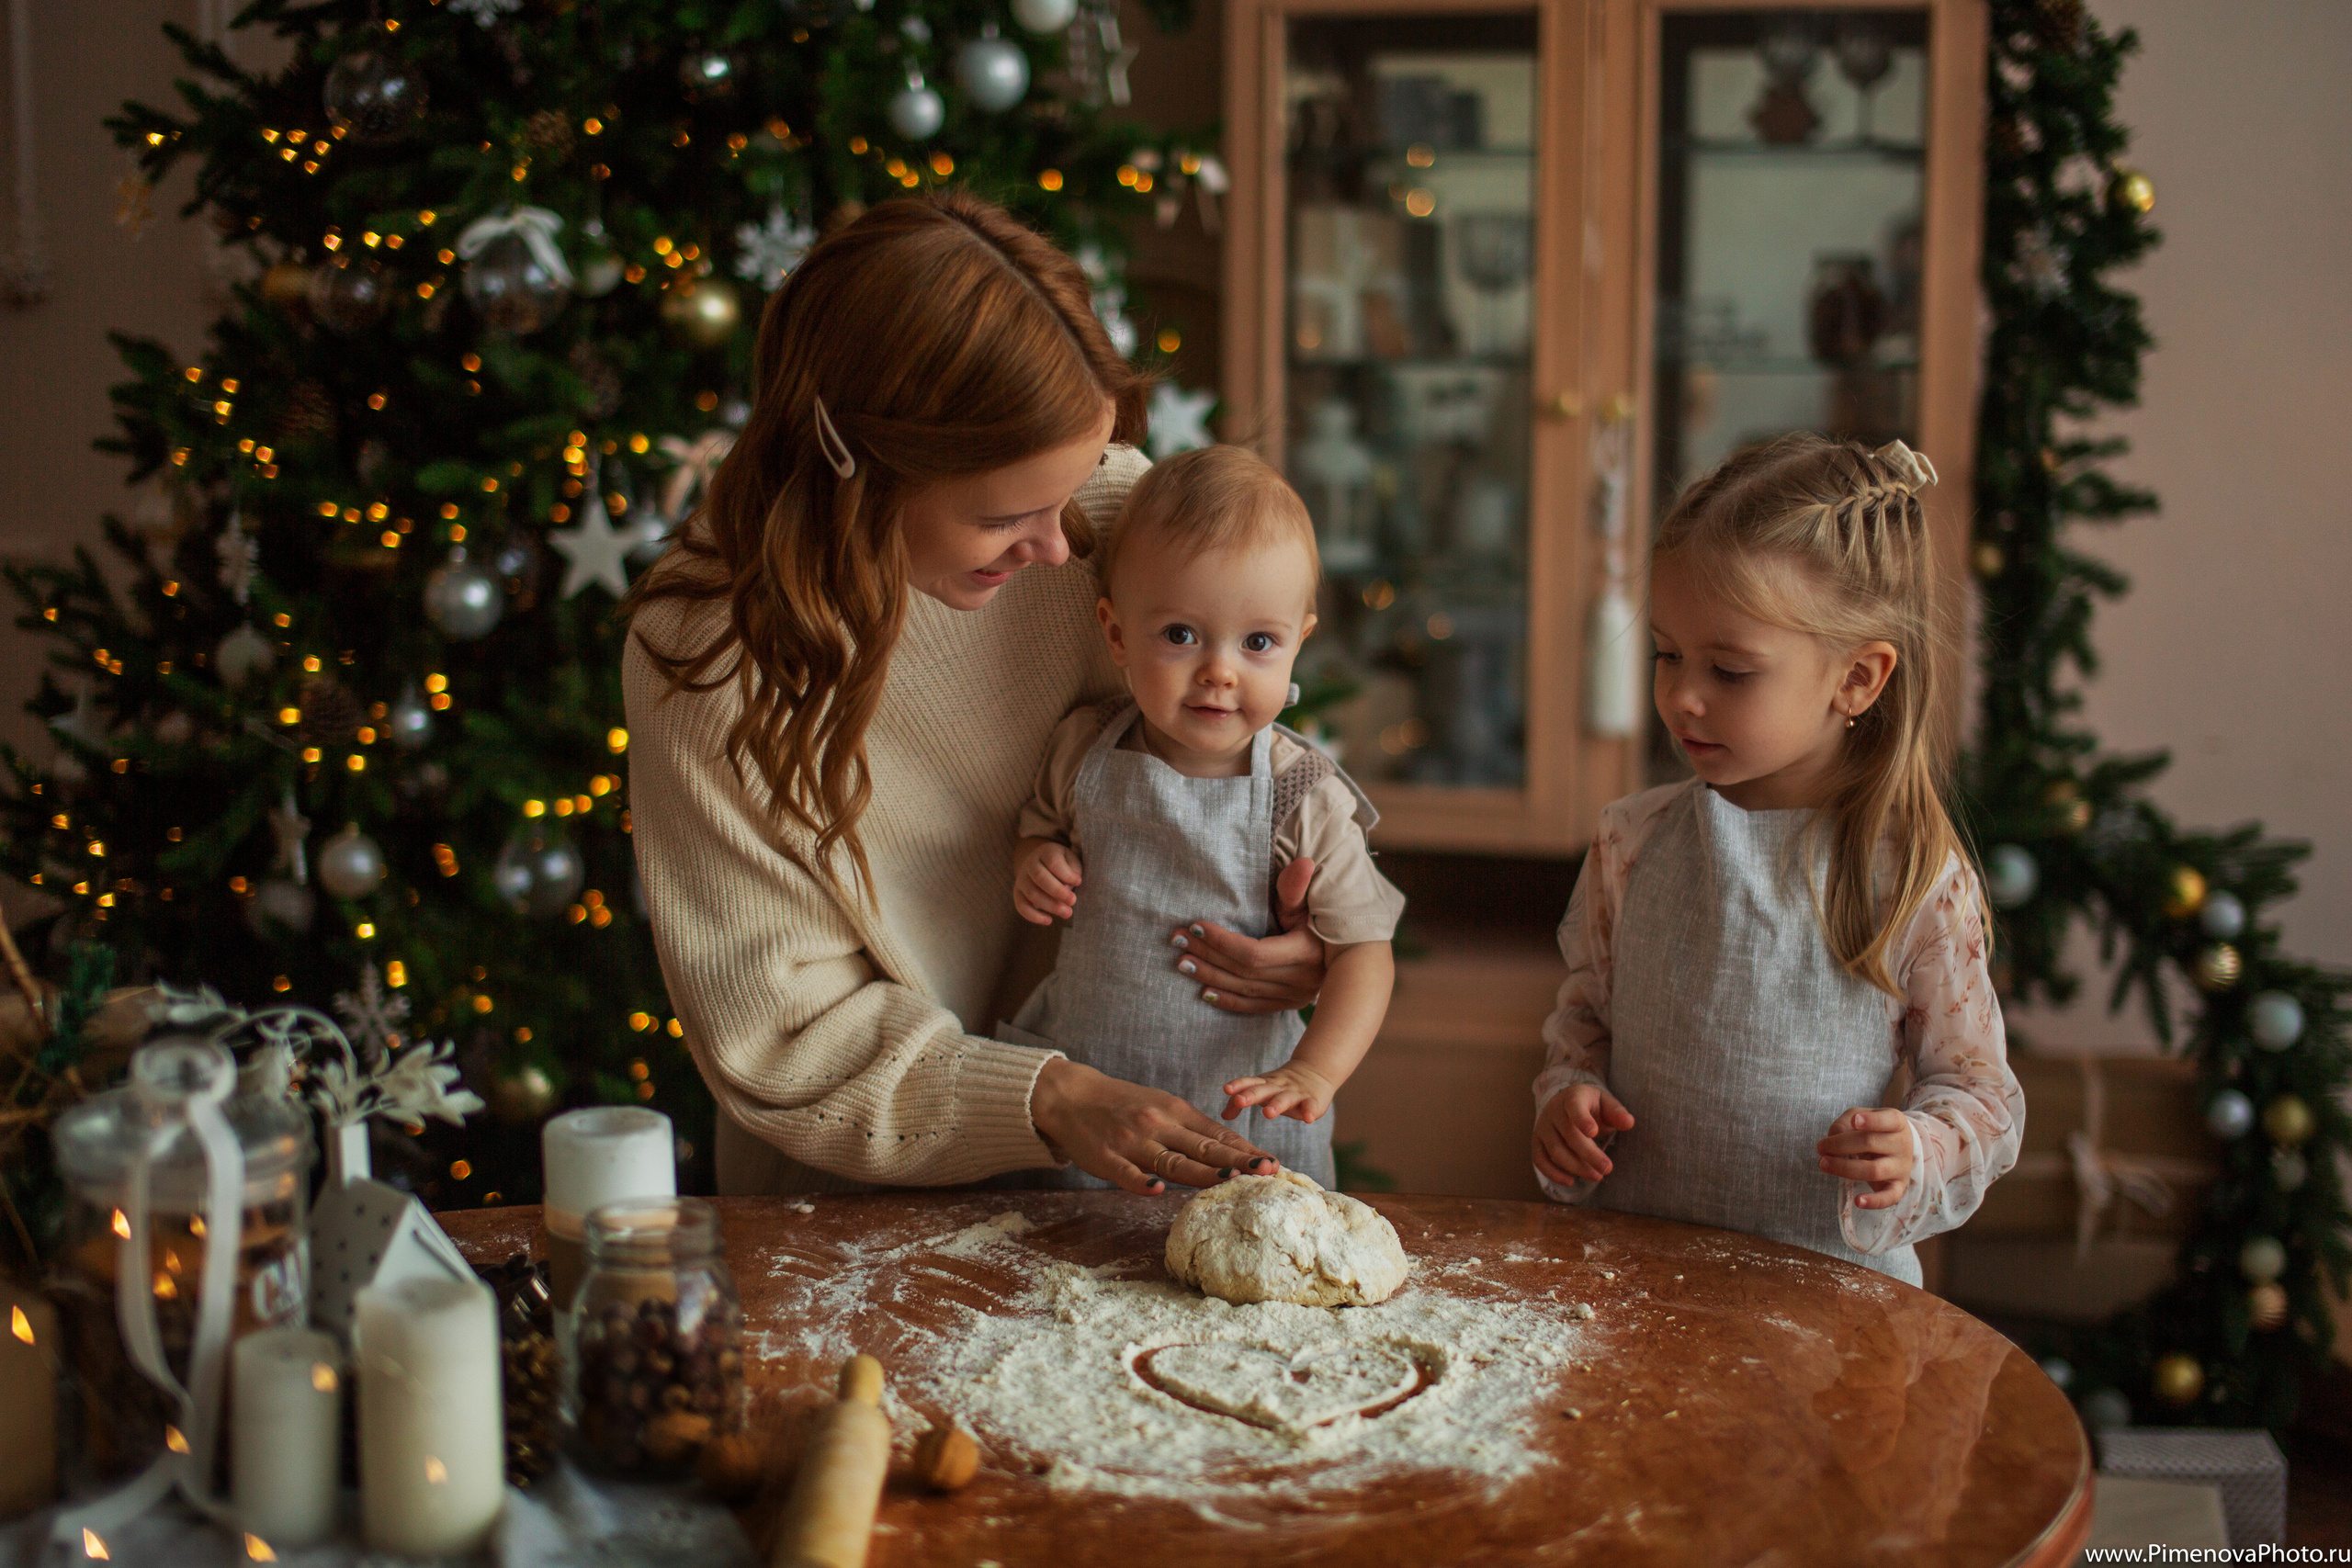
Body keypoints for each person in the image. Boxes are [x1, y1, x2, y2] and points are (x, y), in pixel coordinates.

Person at [623, 193, 1330, 1197]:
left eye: (1077, 482)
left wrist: (1297, 936)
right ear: (857, 471)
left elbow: (1242, 743)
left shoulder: (1098, 515)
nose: (1058, 546)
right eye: (1006, 519)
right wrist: (1040, 1095)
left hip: (1125, 1144)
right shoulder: (704, 656)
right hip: (851, 1191)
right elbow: (784, 1039)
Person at [1529, 434, 2023, 1283]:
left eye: (1730, 669)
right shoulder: (1631, 841)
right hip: (1638, 1280)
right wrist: (1565, 1096)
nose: (1683, 694)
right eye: (1667, 653)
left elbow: (1981, 1097)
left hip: (1826, 1303)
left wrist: (1918, 1146)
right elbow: (1586, 1021)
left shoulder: (1910, 879)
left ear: (1858, 680)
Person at [1002, 447, 1403, 1189]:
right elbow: (1038, 828)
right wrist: (1036, 860)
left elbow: (1365, 951)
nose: (1221, 671)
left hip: (1243, 1120)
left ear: (1297, 645)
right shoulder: (1083, 747)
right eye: (1181, 634)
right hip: (1092, 1111)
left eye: (1258, 643)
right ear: (1117, 634)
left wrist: (1315, 1069)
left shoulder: (1301, 791)